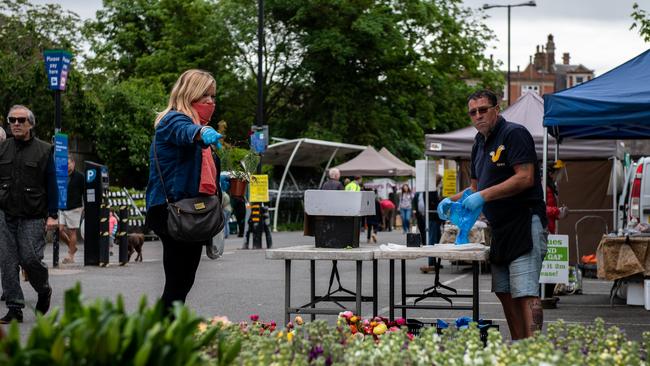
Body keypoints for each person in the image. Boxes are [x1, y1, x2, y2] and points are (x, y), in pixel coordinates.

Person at [437, 89, 547, 340]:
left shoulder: (514, 133)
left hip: (525, 221)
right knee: (504, 291)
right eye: (473, 112)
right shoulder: (478, 143)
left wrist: (483, 196)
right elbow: (475, 189)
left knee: (525, 291)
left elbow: (525, 177)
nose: (478, 116)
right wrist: (450, 200)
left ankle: (535, 350)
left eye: (483, 109)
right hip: (499, 227)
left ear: (497, 109)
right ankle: (519, 346)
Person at [145, 69, 223, 311]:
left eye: (213, 96)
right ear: (189, 95)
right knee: (178, 284)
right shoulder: (173, 120)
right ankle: (157, 338)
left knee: (182, 283)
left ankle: (164, 335)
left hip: (191, 210)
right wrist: (200, 132)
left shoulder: (197, 125)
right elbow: (185, 133)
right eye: (204, 96)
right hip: (172, 210)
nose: (211, 101)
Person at [0, 105, 57, 323]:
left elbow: (52, 185)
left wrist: (52, 215)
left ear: (30, 124)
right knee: (7, 261)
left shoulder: (44, 150)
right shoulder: (2, 149)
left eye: (21, 120)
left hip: (33, 215)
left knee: (30, 259)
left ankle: (43, 290)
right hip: (5, 214)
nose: (16, 124)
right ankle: (14, 308)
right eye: (12, 120)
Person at [413, 175, 443, 273]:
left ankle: (435, 261)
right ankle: (431, 262)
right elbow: (432, 203)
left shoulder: (432, 190)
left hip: (434, 217)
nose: (440, 182)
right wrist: (439, 202)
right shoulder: (431, 190)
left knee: (436, 239)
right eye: (440, 180)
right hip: (432, 217)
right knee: (432, 239)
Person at [59, 156, 85, 264]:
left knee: (72, 231)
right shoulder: (61, 175)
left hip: (75, 207)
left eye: (69, 163)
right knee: (58, 229)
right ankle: (72, 246)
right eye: (65, 164)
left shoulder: (80, 176)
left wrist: (85, 207)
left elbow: (85, 191)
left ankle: (71, 255)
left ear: (73, 163)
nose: (67, 166)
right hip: (62, 206)